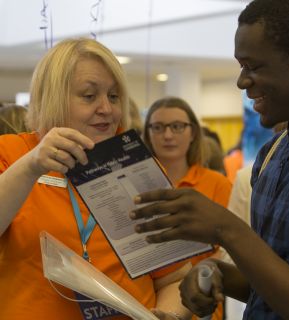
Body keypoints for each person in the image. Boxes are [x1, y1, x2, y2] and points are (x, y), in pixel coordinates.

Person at [129, 0, 289, 319]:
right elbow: (271, 284)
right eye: (241, 66)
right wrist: (214, 272)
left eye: (254, 67)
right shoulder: (272, 152)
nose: (242, 81)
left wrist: (226, 229)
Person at [0, 38, 193, 320]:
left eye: (114, 97)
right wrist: (31, 166)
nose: (107, 109)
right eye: (89, 96)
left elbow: (174, 278)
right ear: (52, 96)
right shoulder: (13, 154)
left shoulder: (137, 167)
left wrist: (169, 316)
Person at [143, 96, 232, 320]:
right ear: (147, 133)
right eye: (158, 127)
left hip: (204, 303)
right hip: (148, 301)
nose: (168, 135)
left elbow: (230, 250)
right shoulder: (137, 185)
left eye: (177, 126)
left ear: (192, 132)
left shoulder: (217, 184)